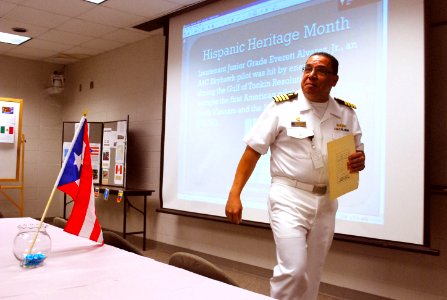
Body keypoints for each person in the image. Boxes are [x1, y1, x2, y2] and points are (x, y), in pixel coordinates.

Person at [225, 52, 365, 300]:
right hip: (288, 196)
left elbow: (356, 155)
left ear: (334, 79)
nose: (311, 75)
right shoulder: (282, 108)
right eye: (307, 68)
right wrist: (234, 194)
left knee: (312, 272)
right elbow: (252, 152)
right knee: (294, 271)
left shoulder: (346, 114)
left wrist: (358, 161)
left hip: (327, 201)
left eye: (320, 71)